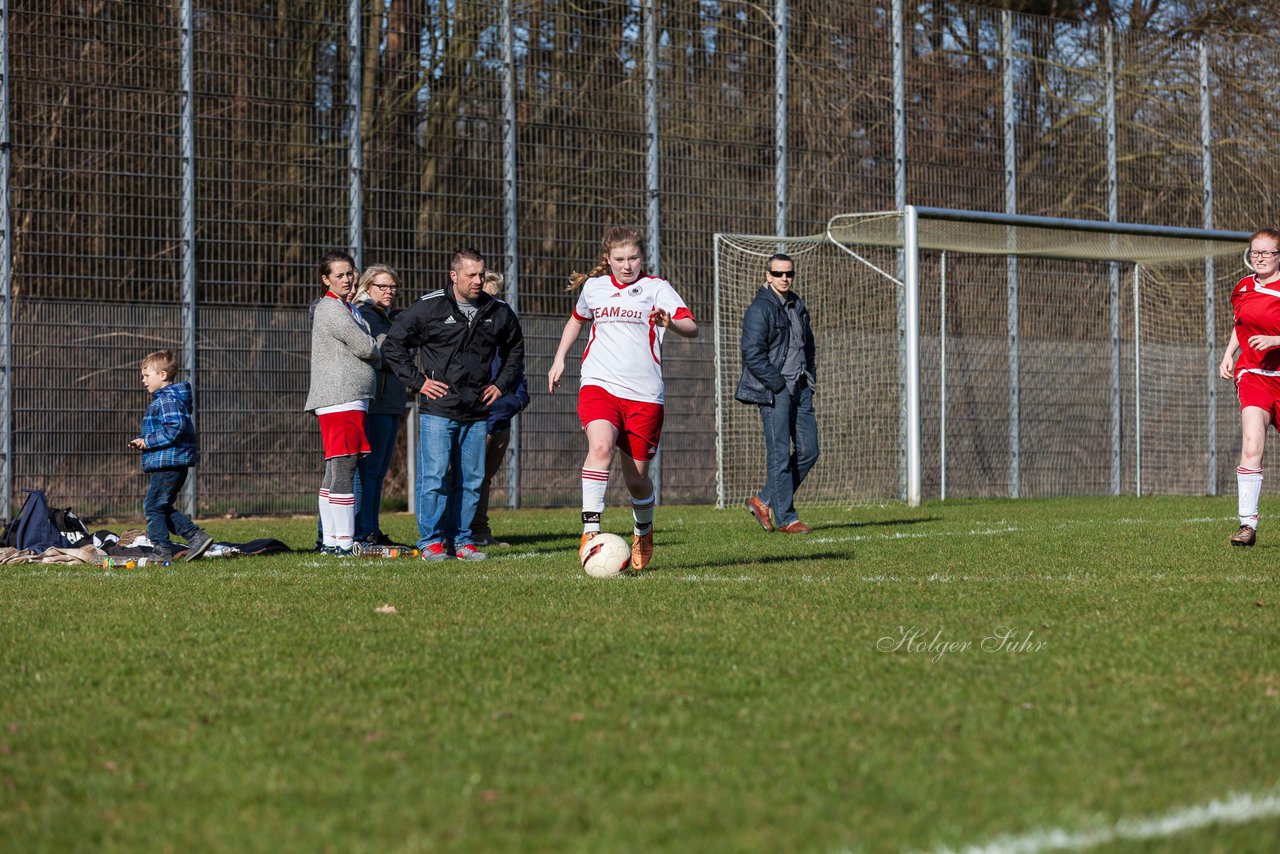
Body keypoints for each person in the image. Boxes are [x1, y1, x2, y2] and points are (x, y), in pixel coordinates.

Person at [547, 225, 698, 570]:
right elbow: (576, 320)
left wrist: (671, 323)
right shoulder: (594, 288)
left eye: (633, 258)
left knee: (636, 479)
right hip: (598, 384)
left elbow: (692, 326)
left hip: (644, 395)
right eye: (620, 259)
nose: (627, 265)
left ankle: (643, 531)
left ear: (642, 257)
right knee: (600, 447)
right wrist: (559, 358)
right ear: (608, 259)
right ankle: (590, 530)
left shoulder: (656, 288)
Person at [381, 248, 525, 562]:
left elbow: (515, 350)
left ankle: (463, 541)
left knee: (471, 479)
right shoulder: (429, 307)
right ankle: (431, 542)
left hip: (476, 410)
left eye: (481, 274)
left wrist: (500, 385)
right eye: (471, 275)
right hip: (438, 410)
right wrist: (419, 382)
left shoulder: (497, 311)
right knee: (433, 477)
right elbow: (394, 345)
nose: (478, 281)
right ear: (454, 275)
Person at [734, 253, 819, 534]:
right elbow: (752, 354)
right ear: (768, 275)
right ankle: (787, 519)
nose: (785, 278)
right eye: (779, 273)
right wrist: (778, 384)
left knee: (809, 451)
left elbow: (808, 345)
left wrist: (809, 375)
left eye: (789, 274)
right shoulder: (760, 309)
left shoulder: (797, 305)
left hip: (801, 387)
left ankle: (764, 499)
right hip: (775, 390)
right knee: (779, 454)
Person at [303, 249, 378, 556]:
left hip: (344, 399)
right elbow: (365, 346)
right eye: (339, 275)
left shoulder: (346, 307)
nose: (348, 279)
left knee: (334, 470)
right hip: (341, 398)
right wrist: (380, 345)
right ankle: (344, 542)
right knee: (345, 468)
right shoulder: (332, 309)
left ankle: (331, 540)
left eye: (350, 273)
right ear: (326, 279)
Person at [1219, 227, 1280, 547]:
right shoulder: (1243, 286)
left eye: (1268, 252)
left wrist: (1276, 340)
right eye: (1256, 252)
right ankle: (1247, 525)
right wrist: (1229, 353)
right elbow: (1239, 323)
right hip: (1254, 375)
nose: (1261, 258)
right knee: (1252, 444)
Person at [128, 350, 214, 562]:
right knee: (160, 506)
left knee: (153, 506)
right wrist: (143, 439)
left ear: (163, 375)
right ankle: (195, 537)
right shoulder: (166, 399)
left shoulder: (167, 399)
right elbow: (167, 428)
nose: (143, 380)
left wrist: (148, 441)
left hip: (169, 462)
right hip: (167, 460)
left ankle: (162, 548)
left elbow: (175, 428)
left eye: (147, 375)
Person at [471, 270, 530, 547]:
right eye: (485, 296)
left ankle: (480, 531)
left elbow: (518, 381)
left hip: (497, 420)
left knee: (483, 478)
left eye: (495, 297)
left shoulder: (506, 330)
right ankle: (449, 533)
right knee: (458, 477)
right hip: (468, 417)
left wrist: (507, 406)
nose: (491, 303)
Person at [352, 264, 408, 547]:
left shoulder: (387, 317)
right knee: (368, 471)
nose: (389, 291)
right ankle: (361, 531)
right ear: (367, 287)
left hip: (392, 401)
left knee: (378, 472)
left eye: (393, 286)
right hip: (376, 402)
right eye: (382, 286)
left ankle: (372, 528)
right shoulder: (364, 314)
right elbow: (380, 354)